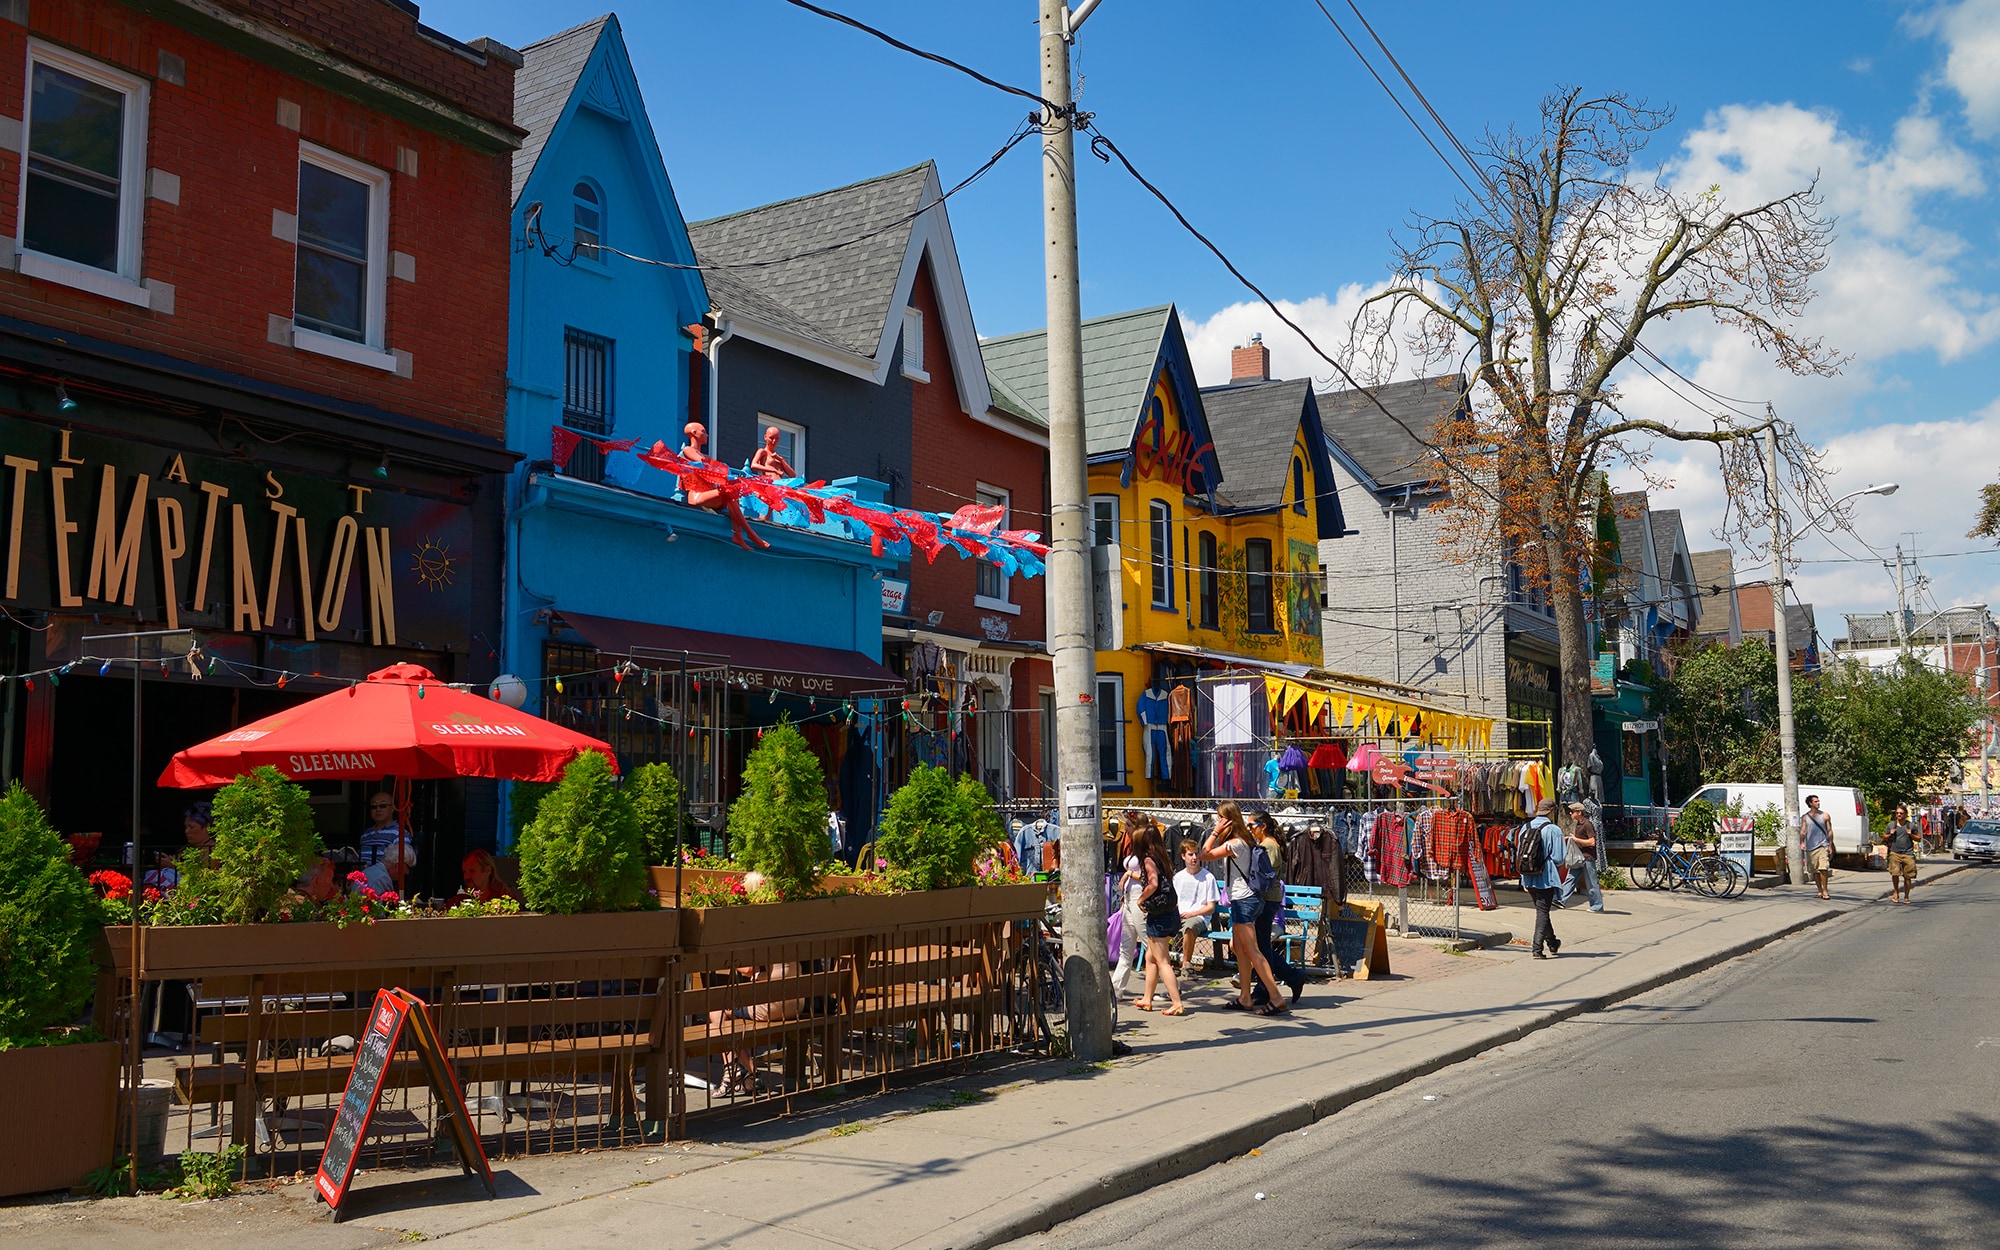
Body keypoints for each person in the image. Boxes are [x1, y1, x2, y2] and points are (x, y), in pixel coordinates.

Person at [1200, 801, 1288, 1015]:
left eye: (1221, 818)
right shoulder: (1243, 840)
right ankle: (1245, 997)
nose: (1218, 822)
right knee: (1240, 950)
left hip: (1244, 901)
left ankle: (1276, 997)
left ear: (1228, 819)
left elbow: (1204, 854)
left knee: (1252, 951)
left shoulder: (1236, 843)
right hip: (1245, 900)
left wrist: (1215, 832)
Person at [1245, 809, 1305, 1007]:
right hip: (1266, 899)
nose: (1249, 829)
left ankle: (1267, 987)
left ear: (1263, 826)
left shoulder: (1269, 846)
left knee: (1261, 946)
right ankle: (1289, 977)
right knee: (1262, 945)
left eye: (1251, 825)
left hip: (1267, 899)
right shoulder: (1265, 844)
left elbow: (1263, 874)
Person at [680, 421, 768, 550]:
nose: (707, 435)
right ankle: (750, 533)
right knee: (728, 490)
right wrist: (721, 468)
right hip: (697, 496)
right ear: (694, 433)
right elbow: (705, 465)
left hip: (709, 496)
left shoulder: (706, 456)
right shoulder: (688, 450)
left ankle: (738, 534)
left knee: (732, 490)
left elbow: (712, 468)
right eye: (703, 431)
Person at [1132, 825, 1188, 1015]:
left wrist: (1141, 899)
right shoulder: (1162, 857)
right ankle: (1147, 999)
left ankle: (1176, 1002)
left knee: (1163, 960)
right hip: (1171, 912)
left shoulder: (1148, 859)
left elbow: (1154, 883)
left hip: (1159, 916)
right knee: (1150, 957)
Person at [1110, 813, 1149, 1000]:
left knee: (1151, 945)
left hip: (1141, 899)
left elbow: (1150, 877)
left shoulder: (1147, 849)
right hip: (1129, 899)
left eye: (1128, 825)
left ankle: (1171, 985)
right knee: (1125, 948)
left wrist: (1128, 875)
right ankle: (1115, 989)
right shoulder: (1134, 848)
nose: (1125, 829)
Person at [1522, 798, 1566, 959]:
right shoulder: (1554, 830)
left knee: (1542, 911)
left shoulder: (1524, 827)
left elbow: (1520, 854)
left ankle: (1553, 943)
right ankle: (1537, 949)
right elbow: (1559, 857)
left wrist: (1523, 878)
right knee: (1542, 912)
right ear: (1552, 811)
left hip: (1527, 875)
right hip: (1547, 876)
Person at [1172, 838, 1220, 969]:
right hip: (1179, 915)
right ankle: (1163, 962)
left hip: (1199, 917)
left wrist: (1192, 913)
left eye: (1196, 854)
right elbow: (1174, 902)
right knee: (1161, 925)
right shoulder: (1178, 877)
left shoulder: (1208, 877)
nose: (1194, 858)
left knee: (1189, 927)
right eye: (1190, 854)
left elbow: (1211, 907)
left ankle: (1186, 964)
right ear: (1183, 856)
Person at [359, 792, 417, 894]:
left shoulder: (400, 832)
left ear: (393, 808)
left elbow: (402, 860)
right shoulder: (366, 834)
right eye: (374, 806)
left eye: (383, 806)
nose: (378, 809)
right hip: (362, 880)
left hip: (383, 881)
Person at [1562, 799, 1604, 912]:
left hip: (1587, 857)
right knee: (1570, 878)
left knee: (1591, 882)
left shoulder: (1587, 824)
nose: (1570, 813)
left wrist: (1576, 839)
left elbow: (1592, 842)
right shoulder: (1579, 824)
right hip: (1579, 857)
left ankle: (1597, 906)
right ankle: (1561, 900)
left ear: (1579, 812)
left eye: (1572, 811)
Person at [450, 849, 522, 906]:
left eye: (472, 871)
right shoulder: (461, 899)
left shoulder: (503, 898)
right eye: (464, 872)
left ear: (487, 871)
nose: (466, 877)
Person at [1801, 794, 1835, 900]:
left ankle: (1825, 890)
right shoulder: (1805, 817)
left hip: (1822, 845)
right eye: (1815, 801)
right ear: (1810, 803)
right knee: (1814, 870)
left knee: (1823, 868)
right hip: (1811, 847)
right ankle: (1819, 890)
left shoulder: (1825, 816)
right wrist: (1801, 842)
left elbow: (1829, 830)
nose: (1818, 803)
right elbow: (1803, 830)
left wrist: (1830, 844)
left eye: (1818, 801)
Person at [1883, 804, 1918, 904]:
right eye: (1897, 813)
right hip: (1895, 852)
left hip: (1908, 853)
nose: (1899, 815)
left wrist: (1911, 834)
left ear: (1906, 814)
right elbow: (1884, 837)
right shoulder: (1891, 825)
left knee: (1908, 876)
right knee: (1895, 873)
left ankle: (1906, 896)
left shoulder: (1910, 826)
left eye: (1901, 813)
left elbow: (1918, 838)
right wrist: (1890, 834)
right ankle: (1895, 892)